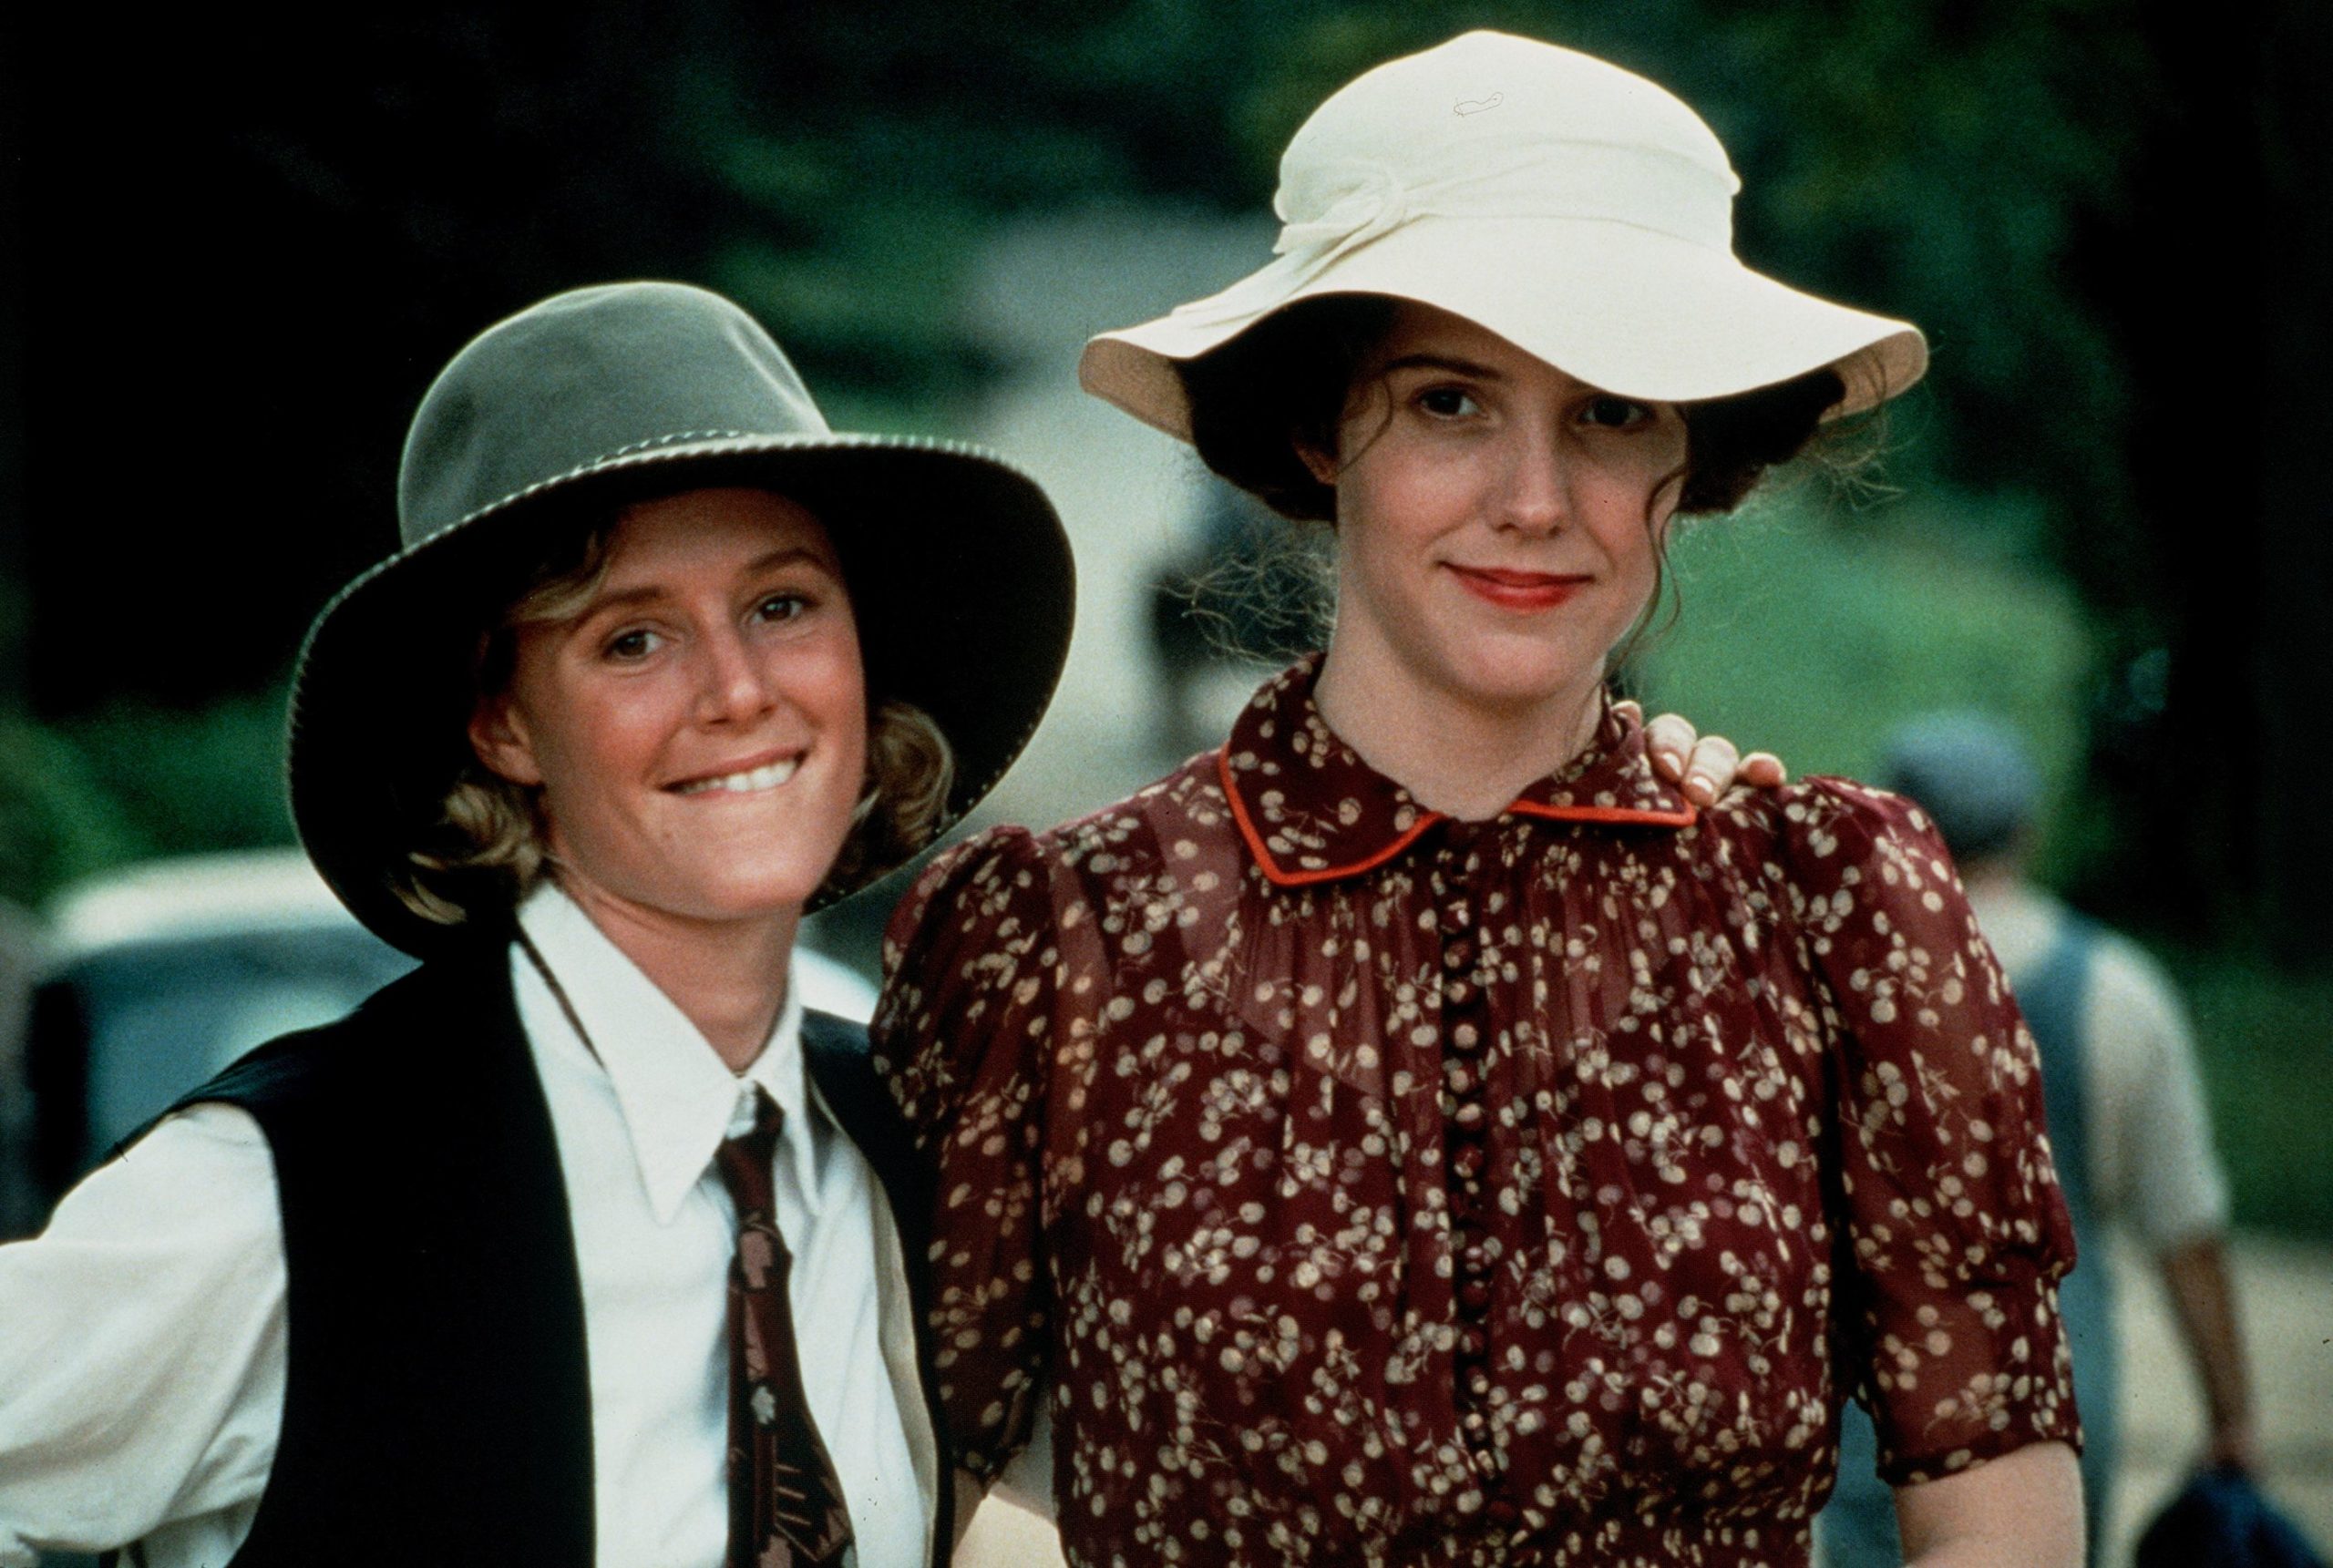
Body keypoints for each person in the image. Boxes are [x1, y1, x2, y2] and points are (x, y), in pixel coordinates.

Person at [875, 31, 2085, 1568]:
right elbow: (910, 1483)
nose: (1535, 500)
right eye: (1451, 403)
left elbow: (1996, 1516)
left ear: (1692, 449)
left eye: (1612, 412)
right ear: (1317, 427)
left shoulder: (1833, 909)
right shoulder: (1062, 941)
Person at [0, 281, 1075, 1568]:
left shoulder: (913, 1145)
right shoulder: (282, 1196)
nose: (737, 690)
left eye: (783, 605)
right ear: (504, 723)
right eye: (633, 639)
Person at [1819, 713, 2256, 1568]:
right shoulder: (2119, 991)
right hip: (2057, 1408)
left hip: (1874, 1412)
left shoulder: (1835, 976)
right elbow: (2187, 1233)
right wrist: (2230, 1413)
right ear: (2027, 827)